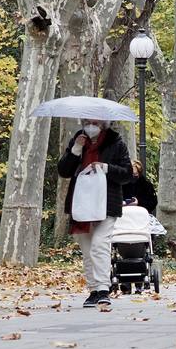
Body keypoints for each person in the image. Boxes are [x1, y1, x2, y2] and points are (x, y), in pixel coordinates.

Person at [58, 118, 132, 308]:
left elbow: (127, 174)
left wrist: (106, 168)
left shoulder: (117, 143)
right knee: (87, 249)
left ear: (104, 124)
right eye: (88, 122)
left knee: (99, 245)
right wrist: (75, 149)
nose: (91, 126)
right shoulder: (78, 141)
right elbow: (64, 171)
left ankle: (103, 289)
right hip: (81, 204)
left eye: (96, 123)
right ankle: (93, 290)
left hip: (106, 203)